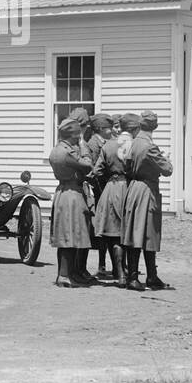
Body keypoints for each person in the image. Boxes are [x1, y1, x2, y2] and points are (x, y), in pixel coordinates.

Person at [121, 110, 175, 291]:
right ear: (155, 127)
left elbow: (127, 167)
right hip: (147, 189)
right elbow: (167, 169)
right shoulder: (150, 146)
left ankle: (147, 276)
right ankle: (136, 277)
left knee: (138, 232)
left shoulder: (133, 143)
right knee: (146, 233)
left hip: (134, 188)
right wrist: (166, 160)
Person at [48, 116, 95, 288]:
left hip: (63, 192)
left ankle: (66, 273)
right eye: (77, 135)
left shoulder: (57, 149)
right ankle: (64, 275)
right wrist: (83, 148)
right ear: (72, 135)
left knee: (66, 237)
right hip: (72, 194)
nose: (79, 137)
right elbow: (87, 165)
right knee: (70, 237)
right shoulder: (68, 152)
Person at [88, 113, 128, 284]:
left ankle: (120, 273)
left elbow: (97, 171)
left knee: (112, 232)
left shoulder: (108, 146)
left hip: (110, 189)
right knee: (124, 231)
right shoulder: (131, 145)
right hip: (127, 188)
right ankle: (124, 271)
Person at [86, 112, 116, 279]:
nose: (111, 130)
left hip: (105, 189)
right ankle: (102, 265)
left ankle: (107, 264)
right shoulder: (93, 144)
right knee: (102, 229)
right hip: (100, 190)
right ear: (100, 129)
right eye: (108, 128)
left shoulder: (103, 142)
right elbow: (94, 171)